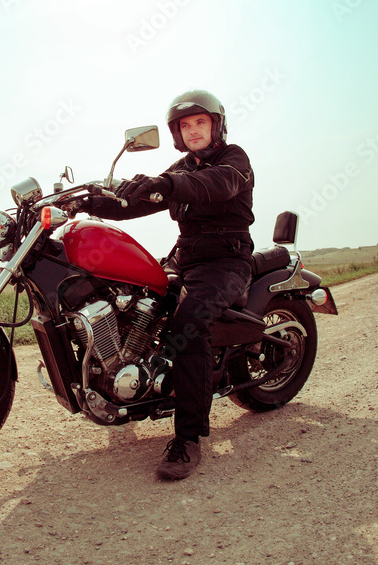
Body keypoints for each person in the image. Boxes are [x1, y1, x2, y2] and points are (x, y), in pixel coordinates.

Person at [76, 89, 255, 480]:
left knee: (189, 324)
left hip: (226, 259)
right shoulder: (180, 168)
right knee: (133, 297)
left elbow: (214, 184)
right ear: (177, 132)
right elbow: (137, 203)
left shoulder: (233, 159)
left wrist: (166, 183)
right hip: (185, 257)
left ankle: (187, 438)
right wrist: (90, 202)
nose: (193, 131)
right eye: (185, 125)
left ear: (216, 125)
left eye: (200, 123)